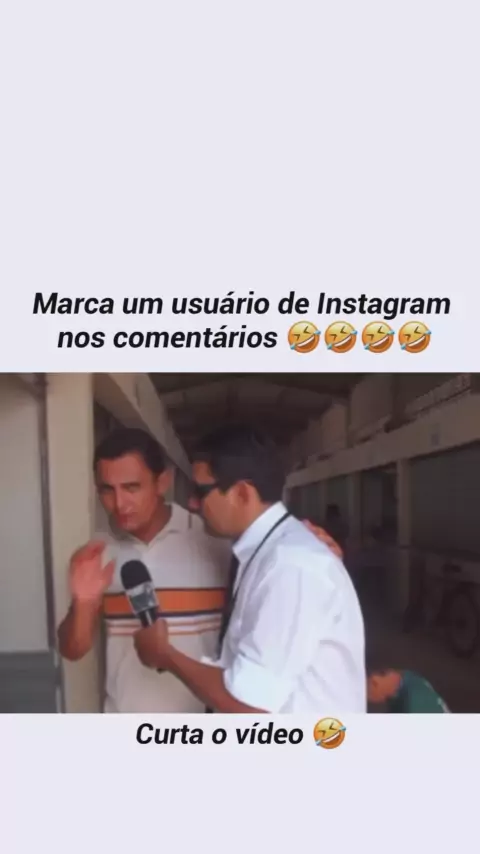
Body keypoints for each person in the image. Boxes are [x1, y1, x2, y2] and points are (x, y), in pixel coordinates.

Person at [57, 426, 343, 713]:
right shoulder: (96, 555)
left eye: (132, 488)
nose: (120, 504)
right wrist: (83, 603)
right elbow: (73, 650)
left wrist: (310, 551)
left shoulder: (217, 538)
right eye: (107, 490)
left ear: (163, 481)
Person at [134, 426, 366, 713]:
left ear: (243, 493)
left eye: (200, 491)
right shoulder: (267, 552)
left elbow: (249, 706)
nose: (192, 503)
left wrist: (165, 656)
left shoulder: (290, 566)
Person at [367, 668, 449, 713]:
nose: (367, 699)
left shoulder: (414, 704)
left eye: (368, 693)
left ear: (375, 682)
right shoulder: (408, 679)